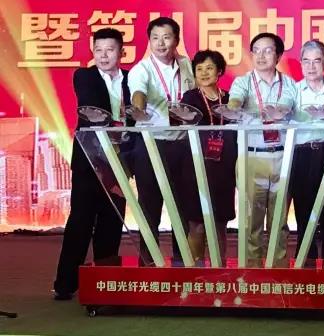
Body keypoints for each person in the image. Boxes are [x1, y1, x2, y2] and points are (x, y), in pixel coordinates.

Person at [53, 28, 131, 300]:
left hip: (119, 161)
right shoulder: (84, 76)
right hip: (89, 159)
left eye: (110, 50)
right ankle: (65, 284)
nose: (103, 55)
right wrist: (123, 122)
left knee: (111, 222)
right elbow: (92, 109)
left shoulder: (132, 78)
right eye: (98, 50)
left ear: (121, 52)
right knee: (80, 221)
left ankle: (104, 282)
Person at [128, 17, 195, 263]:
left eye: (166, 37)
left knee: (183, 207)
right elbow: (138, 93)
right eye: (155, 38)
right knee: (150, 206)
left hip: (183, 143)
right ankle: (147, 264)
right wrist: (138, 109)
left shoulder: (188, 65)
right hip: (151, 144)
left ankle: (182, 261)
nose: (160, 43)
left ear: (176, 40)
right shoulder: (141, 70)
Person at [227, 32, 297, 266]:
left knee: (279, 222)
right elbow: (235, 100)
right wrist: (234, 107)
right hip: (252, 156)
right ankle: (251, 274)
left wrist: (275, 112)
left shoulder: (290, 84)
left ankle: (278, 272)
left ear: (278, 55)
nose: (261, 55)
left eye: (267, 50)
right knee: (251, 221)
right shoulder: (243, 82)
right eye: (256, 51)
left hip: (282, 156)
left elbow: (287, 108)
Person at [290, 40, 324, 265]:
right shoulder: (293, 91)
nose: (311, 67)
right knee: (304, 216)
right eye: (306, 61)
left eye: (316, 61)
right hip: (301, 156)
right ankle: (307, 270)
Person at [180, 50, 237, 261]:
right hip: (195, 167)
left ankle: (218, 271)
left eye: (209, 68)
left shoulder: (230, 99)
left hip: (223, 167)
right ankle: (194, 272)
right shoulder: (190, 97)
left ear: (219, 71)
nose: (204, 73)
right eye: (199, 69)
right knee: (197, 224)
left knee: (220, 224)